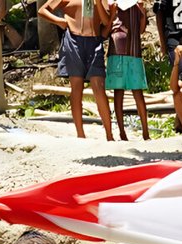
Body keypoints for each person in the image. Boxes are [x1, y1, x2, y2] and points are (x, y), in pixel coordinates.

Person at [42, 0, 114, 141]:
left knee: (99, 87)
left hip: (94, 41)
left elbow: (106, 21)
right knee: (76, 87)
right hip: (73, 41)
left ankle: (109, 135)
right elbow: (43, 11)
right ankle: (80, 134)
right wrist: (60, 21)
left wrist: (99, 3)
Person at [106, 0, 151, 140]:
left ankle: (145, 132)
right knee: (119, 92)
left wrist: (142, 12)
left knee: (137, 92)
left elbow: (141, 30)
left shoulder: (137, 5)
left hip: (134, 51)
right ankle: (122, 131)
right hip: (118, 49)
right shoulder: (113, 3)